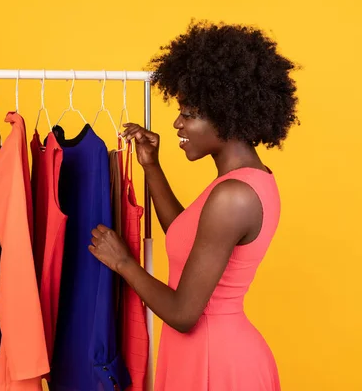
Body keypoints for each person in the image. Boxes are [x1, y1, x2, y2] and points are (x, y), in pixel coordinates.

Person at [89, 20, 299, 391]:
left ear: (225, 113)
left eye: (189, 113)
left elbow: (183, 314)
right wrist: (151, 166)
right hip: (207, 352)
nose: (177, 123)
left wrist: (122, 262)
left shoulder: (233, 195)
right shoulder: (245, 181)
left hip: (215, 361)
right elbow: (187, 236)